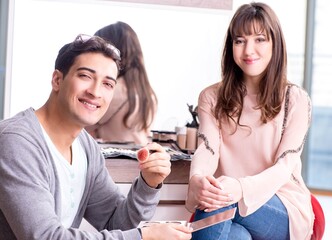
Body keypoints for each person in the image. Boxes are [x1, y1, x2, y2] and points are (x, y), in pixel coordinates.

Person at [0, 34, 192, 239]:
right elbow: (44, 237)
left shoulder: (86, 147)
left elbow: (115, 222)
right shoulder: (16, 142)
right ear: (57, 80)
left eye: (107, 84)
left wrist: (148, 183)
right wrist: (142, 236)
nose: (95, 92)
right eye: (85, 76)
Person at [185, 2, 314, 240]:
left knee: (222, 197)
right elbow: (208, 148)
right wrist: (198, 178)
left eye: (260, 39)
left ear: (275, 44)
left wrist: (240, 188)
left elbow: (284, 167)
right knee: (236, 235)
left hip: (283, 207)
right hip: (226, 201)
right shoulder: (211, 97)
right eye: (240, 40)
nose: (248, 50)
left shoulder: (295, 100)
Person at [85, 21, 157, 146]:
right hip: (140, 155)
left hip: (116, 158)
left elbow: (83, 123)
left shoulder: (113, 90)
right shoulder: (147, 92)